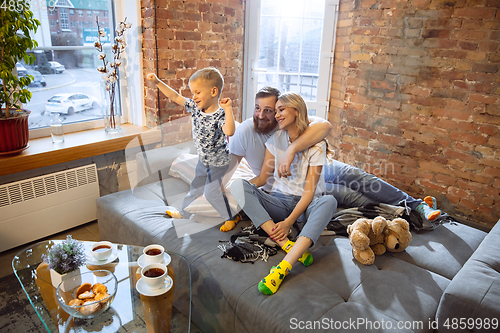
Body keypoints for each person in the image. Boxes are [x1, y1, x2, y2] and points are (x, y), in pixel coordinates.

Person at [230, 86, 441, 222]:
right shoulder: (245, 132)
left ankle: (417, 205)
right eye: (258, 108)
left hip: (317, 166)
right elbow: (232, 168)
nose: (262, 114)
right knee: (350, 196)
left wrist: (293, 149)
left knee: (356, 176)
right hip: (293, 188)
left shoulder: (286, 119)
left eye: (270, 109)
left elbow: (325, 126)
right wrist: (236, 195)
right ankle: (405, 214)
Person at [231, 92, 336, 295]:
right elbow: (262, 179)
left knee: (329, 201)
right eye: (275, 111)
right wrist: (240, 192)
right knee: (237, 185)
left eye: (281, 110)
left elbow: (309, 192)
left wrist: (288, 223)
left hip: (306, 205)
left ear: (296, 111)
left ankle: (283, 268)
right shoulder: (275, 139)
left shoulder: (317, 145)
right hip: (278, 202)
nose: (276, 115)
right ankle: (284, 242)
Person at [147, 68, 240, 231]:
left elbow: (230, 131)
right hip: (203, 159)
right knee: (195, 188)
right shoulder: (195, 108)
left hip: (219, 163)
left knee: (211, 193)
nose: (194, 96)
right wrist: (157, 82)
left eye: (197, 92)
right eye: (192, 93)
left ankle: (231, 217)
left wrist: (228, 109)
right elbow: (175, 96)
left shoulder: (220, 115)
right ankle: (184, 212)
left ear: (213, 91)